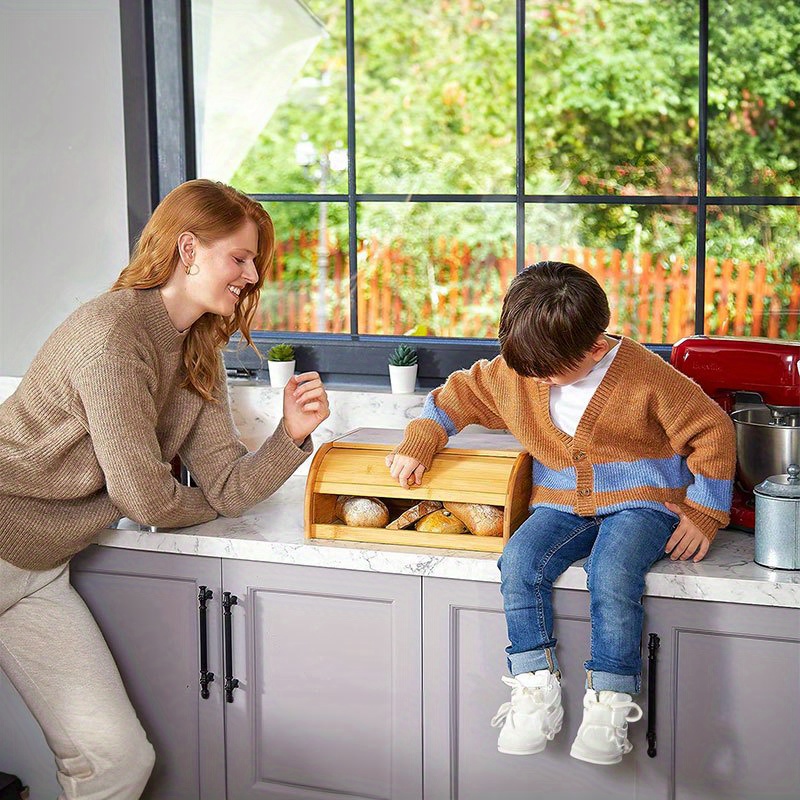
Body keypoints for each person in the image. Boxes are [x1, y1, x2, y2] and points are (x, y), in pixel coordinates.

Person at [0, 179, 330, 799]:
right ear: (188, 250)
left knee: (116, 758)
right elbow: (143, 499)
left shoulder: (195, 351)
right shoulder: (113, 333)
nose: (253, 275)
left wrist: (289, 435)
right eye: (240, 257)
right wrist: (195, 501)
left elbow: (228, 485)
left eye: (255, 261)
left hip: (39, 568)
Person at [386, 261, 735, 765]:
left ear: (595, 347)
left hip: (643, 503)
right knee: (519, 562)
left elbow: (713, 430)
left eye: (547, 373)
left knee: (611, 572)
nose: (537, 381)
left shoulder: (647, 376)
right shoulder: (521, 369)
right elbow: (457, 395)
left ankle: (611, 701)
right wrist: (421, 441)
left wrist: (704, 512)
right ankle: (534, 687)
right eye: (528, 371)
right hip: (561, 501)